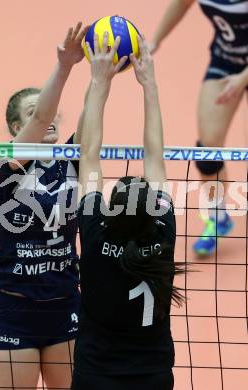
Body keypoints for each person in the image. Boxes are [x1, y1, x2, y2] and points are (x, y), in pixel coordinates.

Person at [71, 32, 185, 390]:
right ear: (153, 211)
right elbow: (156, 157)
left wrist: (98, 81)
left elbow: (88, 152)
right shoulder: (160, 237)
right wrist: (148, 83)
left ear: (110, 211)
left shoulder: (95, 237)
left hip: (96, 375)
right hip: (152, 376)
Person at [0, 22, 88, 390]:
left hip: (64, 304)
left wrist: (102, 72)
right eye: (31, 113)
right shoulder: (10, 166)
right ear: (16, 127)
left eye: (45, 111)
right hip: (15, 308)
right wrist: (64, 66)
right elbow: (44, 116)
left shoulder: (74, 158)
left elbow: (93, 120)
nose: (44, 117)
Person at [149, 0, 248, 256]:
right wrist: (155, 41)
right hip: (225, 60)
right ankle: (218, 217)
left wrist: (242, 79)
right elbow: (182, 3)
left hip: (242, 72)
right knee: (207, 152)